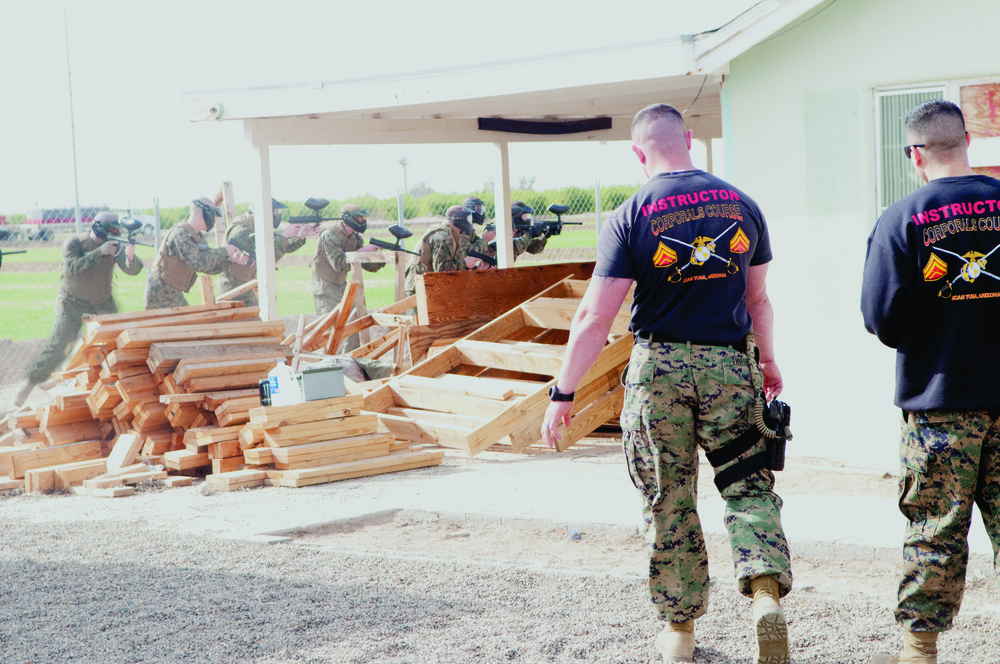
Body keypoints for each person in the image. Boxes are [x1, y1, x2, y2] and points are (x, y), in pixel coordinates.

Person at [540, 103, 792, 664]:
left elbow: (594, 319)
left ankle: (679, 630)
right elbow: (758, 300)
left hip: (658, 374)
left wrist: (563, 393)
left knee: (668, 497)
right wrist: (769, 361)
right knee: (748, 483)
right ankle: (765, 594)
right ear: (691, 140)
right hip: (730, 366)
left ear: (638, 152)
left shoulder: (631, 214)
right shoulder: (742, 205)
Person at [861, 99, 1000, 664]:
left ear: (915, 155)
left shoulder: (901, 219)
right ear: (967, 140)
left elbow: (881, 319)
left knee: (935, 532)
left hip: (941, 408)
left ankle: (919, 651)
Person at [14, 211, 144, 406]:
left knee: (117, 340)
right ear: (99, 228)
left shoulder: (116, 246)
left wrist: (131, 257)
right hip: (72, 301)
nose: (116, 233)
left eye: (118, 229)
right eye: (113, 229)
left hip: (102, 300)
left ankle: (115, 386)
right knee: (59, 345)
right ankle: (29, 382)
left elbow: (132, 270)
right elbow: (73, 267)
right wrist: (100, 252)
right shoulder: (75, 244)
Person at [144, 198, 250, 310]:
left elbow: (208, 266)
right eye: (214, 216)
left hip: (172, 293)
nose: (214, 220)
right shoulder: (180, 234)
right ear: (205, 213)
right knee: (186, 325)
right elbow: (197, 262)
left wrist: (230, 261)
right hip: (159, 294)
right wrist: (224, 251)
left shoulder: (197, 237)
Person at [310, 203, 382, 350]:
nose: (363, 221)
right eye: (360, 218)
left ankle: (349, 363)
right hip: (324, 288)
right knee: (330, 333)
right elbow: (339, 263)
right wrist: (362, 251)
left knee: (354, 326)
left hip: (342, 288)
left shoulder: (355, 238)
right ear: (348, 218)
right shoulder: (329, 234)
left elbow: (367, 266)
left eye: (363, 218)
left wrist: (379, 256)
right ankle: (329, 366)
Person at [218, 197, 314, 306]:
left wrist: (301, 236)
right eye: (275, 211)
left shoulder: (257, 227)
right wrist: (284, 235)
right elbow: (266, 257)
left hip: (244, 286)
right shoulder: (240, 230)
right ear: (265, 212)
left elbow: (279, 246)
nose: (277, 215)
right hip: (233, 290)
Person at [403, 205, 475, 297]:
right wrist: (465, 263)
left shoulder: (449, 234)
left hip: (424, 286)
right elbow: (441, 269)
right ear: (458, 220)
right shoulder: (444, 237)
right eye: (466, 219)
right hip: (418, 289)